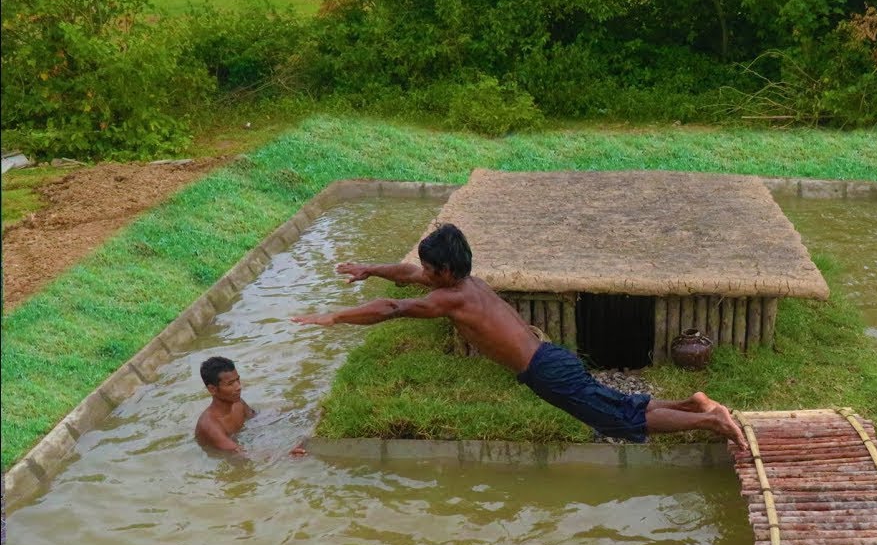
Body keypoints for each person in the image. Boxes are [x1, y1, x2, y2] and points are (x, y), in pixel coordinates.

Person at [291, 223, 747, 448]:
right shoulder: (466, 283)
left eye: (431, 269)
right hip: (550, 358)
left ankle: (711, 421)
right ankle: (694, 403)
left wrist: (335, 317)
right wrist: (370, 268)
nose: (422, 274)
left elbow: (393, 306)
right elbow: (407, 273)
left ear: (445, 270)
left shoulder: (451, 298)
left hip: (546, 372)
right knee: (618, 404)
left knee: (619, 422)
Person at [195, 356, 306, 456]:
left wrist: (296, 413)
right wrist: (284, 453)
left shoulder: (238, 403)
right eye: (230, 384)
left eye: (237, 380)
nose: (238, 387)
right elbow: (238, 452)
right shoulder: (210, 426)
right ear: (212, 389)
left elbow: (256, 419)